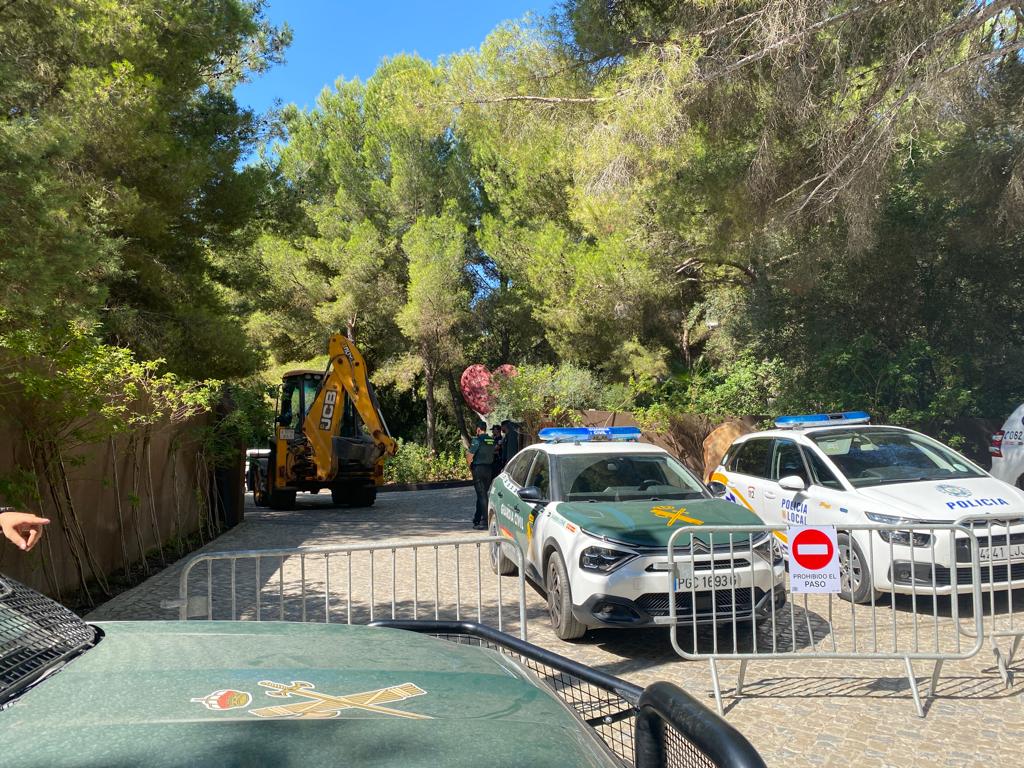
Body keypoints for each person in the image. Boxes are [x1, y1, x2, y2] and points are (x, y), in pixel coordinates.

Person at [466, 421, 496, 530]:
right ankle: (477, 518)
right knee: (482, 494)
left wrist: (470, 467)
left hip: (478, 469)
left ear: (479, 429)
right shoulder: (491, 440)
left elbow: (470, 456)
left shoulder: (477, 440)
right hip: (489, 469)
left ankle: (485, 521)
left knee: (482, 495)